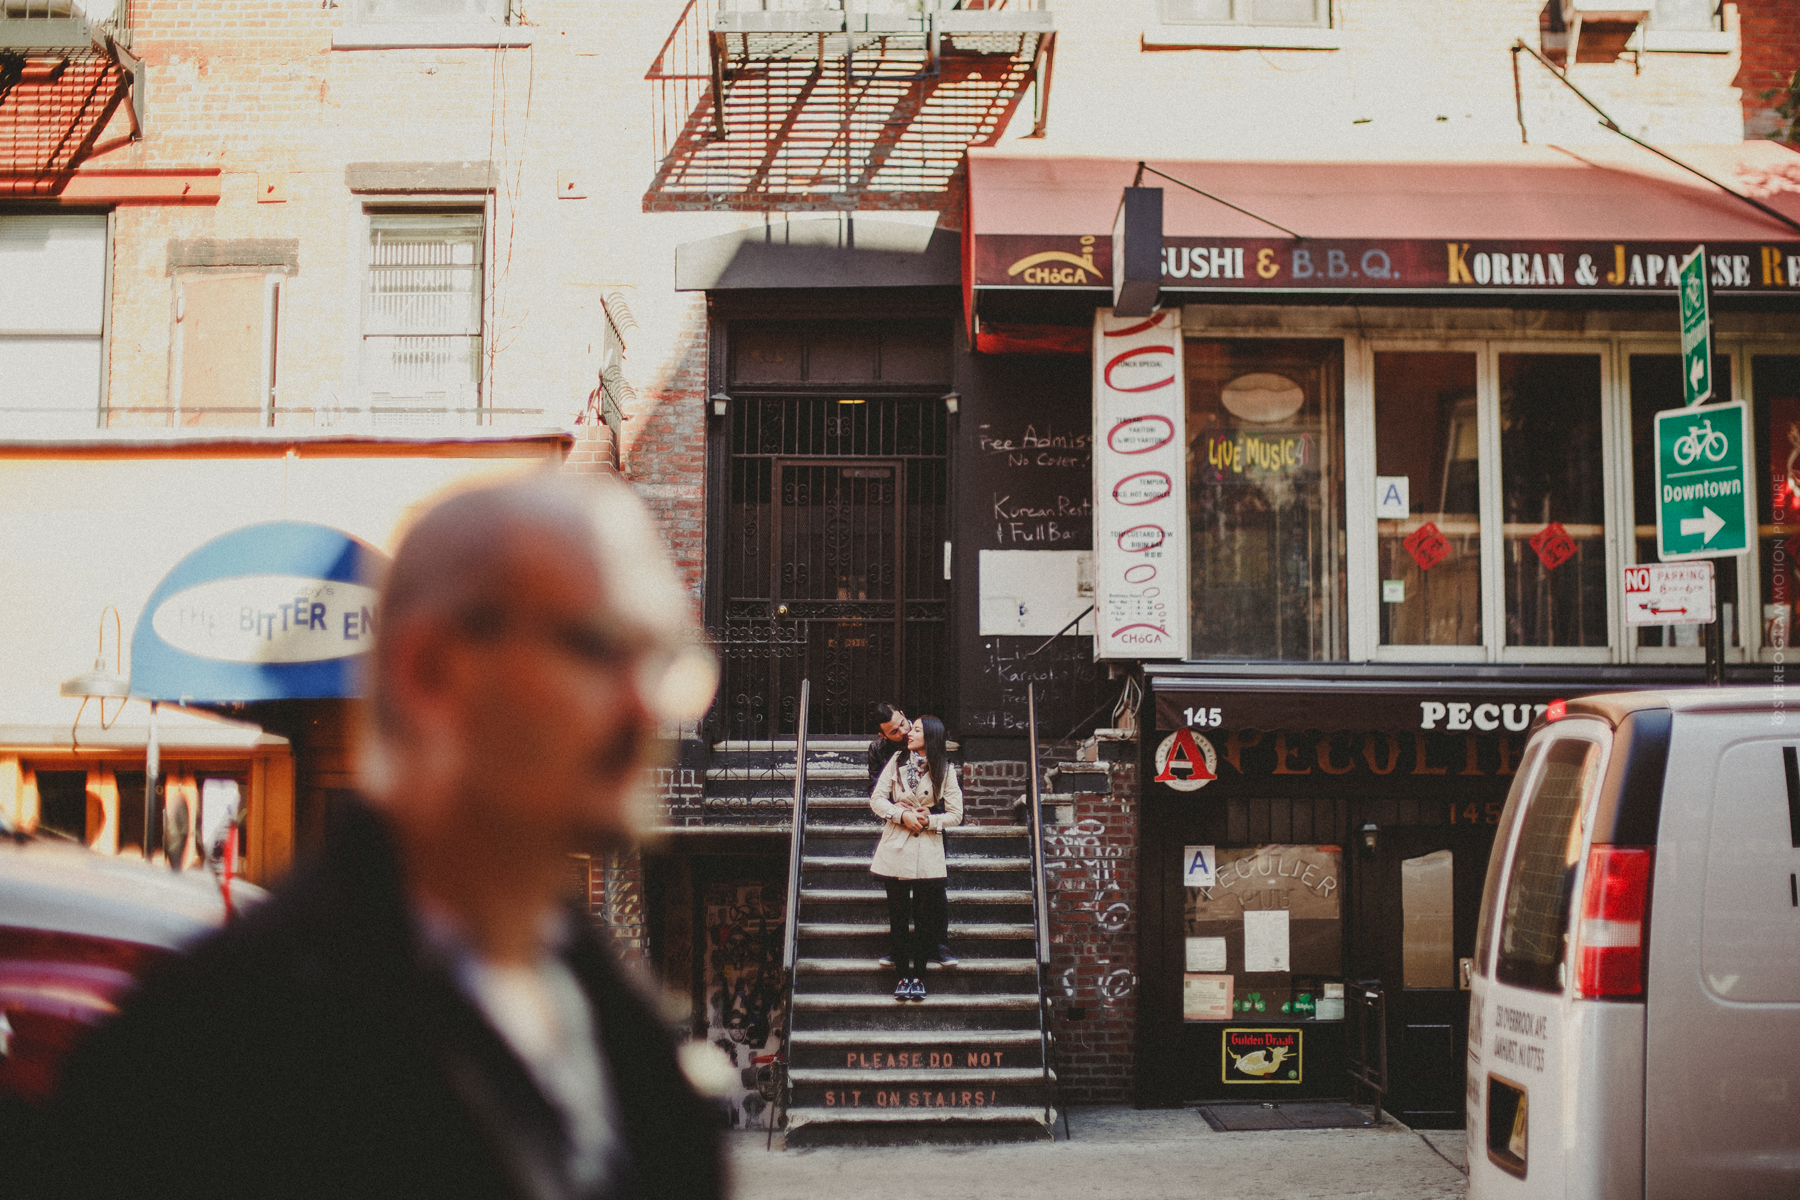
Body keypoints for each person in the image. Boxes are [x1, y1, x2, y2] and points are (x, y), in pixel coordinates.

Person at [38, 473, 725, 1200]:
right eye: (601, 647)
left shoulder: (621, 1028)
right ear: (430, 673)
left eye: (664, 660)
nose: (647, 706)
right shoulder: (204, 1061)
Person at [868, 715, 962, 1000]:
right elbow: (877, 799)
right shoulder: (896, 761)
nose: (909, 732)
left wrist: (930, 820)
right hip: (896, 843)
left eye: (917, 729)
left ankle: (918, 977)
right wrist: (902, 815)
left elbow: (956, 814)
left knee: (923, 918)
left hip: (927, 845)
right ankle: (902, 977)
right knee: (898, 915)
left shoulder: (944, 769)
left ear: (930, 736)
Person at [866, 701, 909, 786]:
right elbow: (875, 786)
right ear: (883, 735)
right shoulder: (877, 748)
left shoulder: (925, 730)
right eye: (894, 732)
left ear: (903, 714)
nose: (903, 732)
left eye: (902, 724)